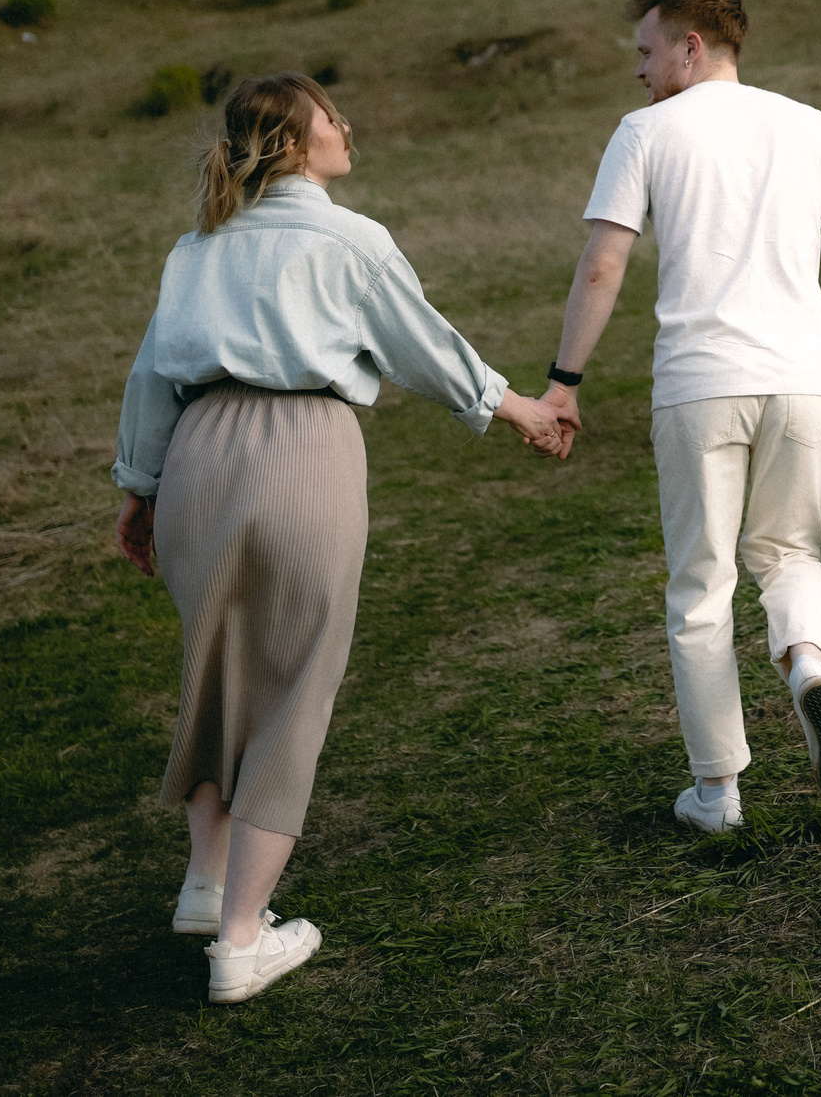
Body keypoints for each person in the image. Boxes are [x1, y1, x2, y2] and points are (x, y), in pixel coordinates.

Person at [112, 73, 566, 1004]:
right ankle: (241, 944)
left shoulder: (195, 248)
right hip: (303, 447)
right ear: (290, 141)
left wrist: (140, 488)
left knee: (215, 665)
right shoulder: (350, 240)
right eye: (331, 117)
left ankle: (206, 884)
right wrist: (518, 408)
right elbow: (425, 348)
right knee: (293, 686)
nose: (346, 127)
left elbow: (150, 375)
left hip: (196, 456)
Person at [539, 0, 821, 833]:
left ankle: (718, 791)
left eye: (648, 51)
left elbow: (601, 266)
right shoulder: (809, 124)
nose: (640, 71)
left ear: (694, 45)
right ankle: (807, 667)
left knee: (701, 581)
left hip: (701, 383)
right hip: (803, 376)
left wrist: (565, 382)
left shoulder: (644, 133)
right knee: (790, 551)